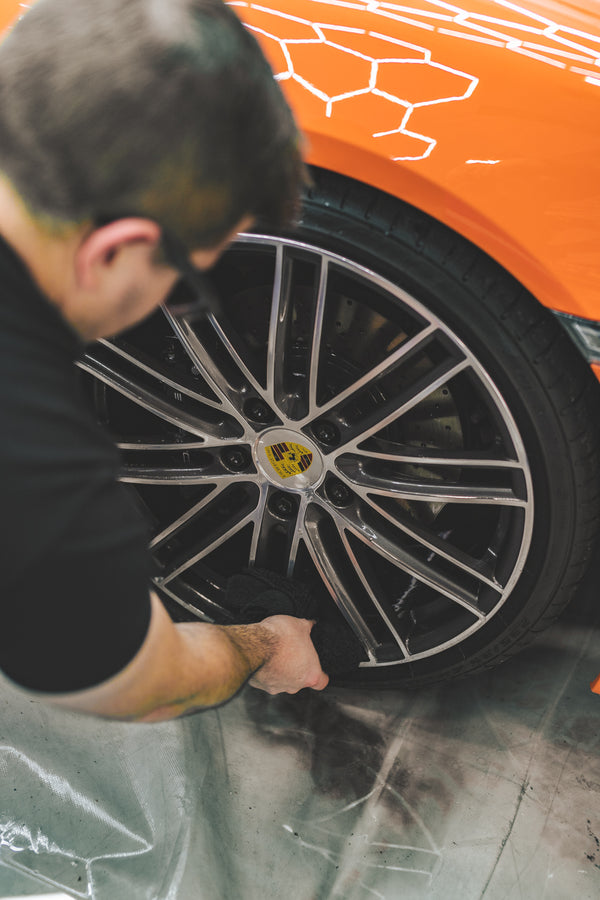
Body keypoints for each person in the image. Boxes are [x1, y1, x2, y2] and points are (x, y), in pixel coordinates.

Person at [0, 0, 329, 721]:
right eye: (182, 285)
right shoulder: (31, 468)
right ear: (112, 251)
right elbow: (149, 684)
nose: (168, 308)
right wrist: (264, 643)